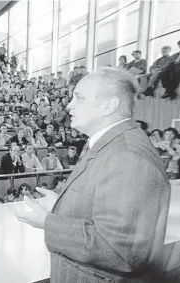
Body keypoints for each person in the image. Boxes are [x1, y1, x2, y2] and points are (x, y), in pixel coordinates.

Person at [14, 67, 171, 282]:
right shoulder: (107, 145)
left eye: (79, 98)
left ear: (108, 105)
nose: (69, 105)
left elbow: (118, 250)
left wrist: (48, 222)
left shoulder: (127, 156)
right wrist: (59, 206)